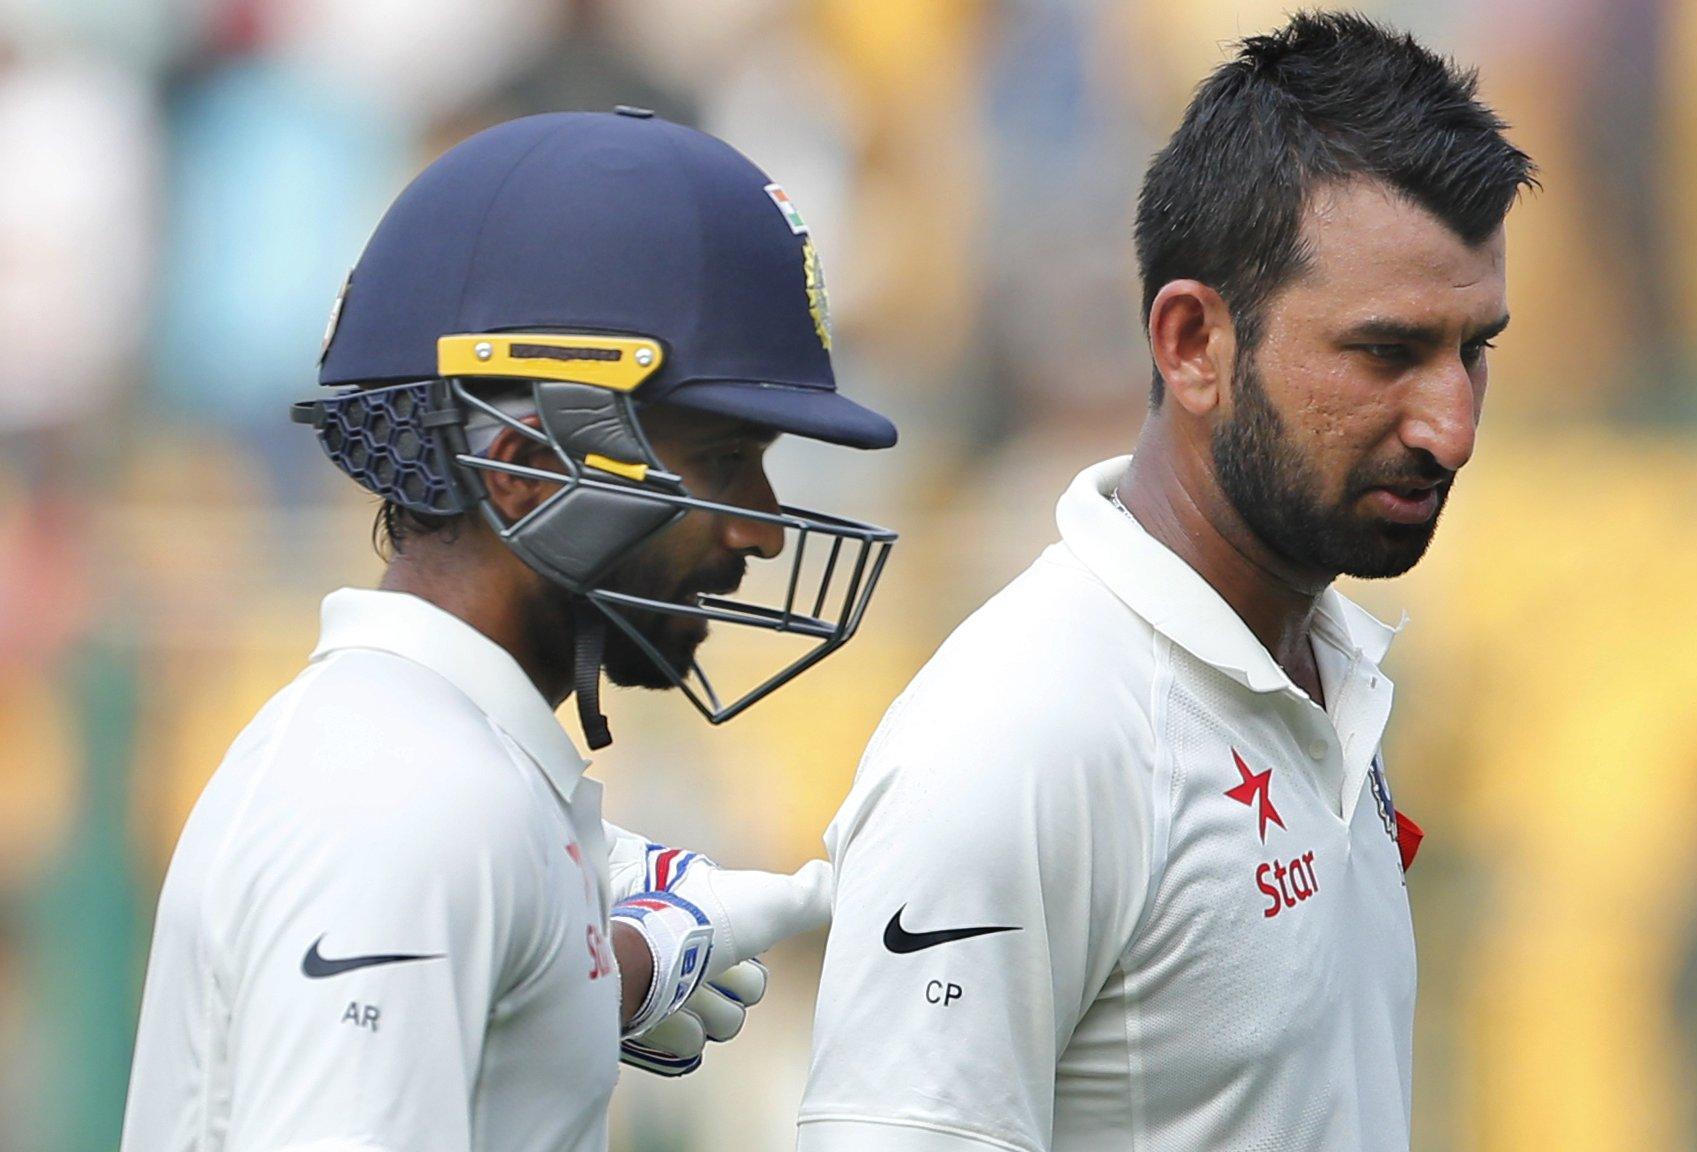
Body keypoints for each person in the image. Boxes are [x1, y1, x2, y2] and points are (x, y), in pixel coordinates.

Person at [797, 14, 1534, 1152]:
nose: (1451, 427)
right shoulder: (1020, 736)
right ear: (1192, 344)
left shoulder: (1330, 676)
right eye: (1386, 353)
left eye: (1471, 350)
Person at [121, 108, 899, 1151]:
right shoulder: (405, 806)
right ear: (524, 471)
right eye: (722, 459)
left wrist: (587, 983)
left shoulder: (435, 773)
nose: (760, 530)